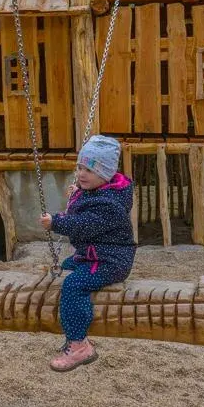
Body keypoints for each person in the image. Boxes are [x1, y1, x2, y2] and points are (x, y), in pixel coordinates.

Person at [39, 135, 136, 372]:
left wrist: (56, 222)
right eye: (80, 167)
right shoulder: (104, 188)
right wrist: (77, 193)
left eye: (89, 170)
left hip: (109, 260)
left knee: (73, 284)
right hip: (94, 253)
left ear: (105, 174)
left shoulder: (110, 204)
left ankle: (79, 344)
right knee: (66, 264)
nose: (81, 174)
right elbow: (90, 198)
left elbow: (84, 224)